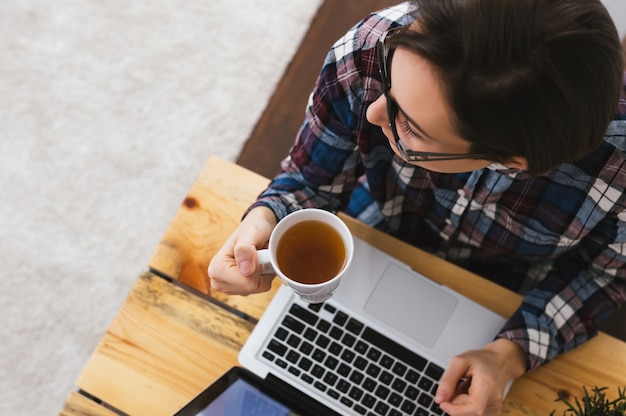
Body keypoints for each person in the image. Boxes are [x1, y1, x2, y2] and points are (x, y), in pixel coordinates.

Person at [209, 0, 626, 414]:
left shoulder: (618, 169)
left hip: (508, 293)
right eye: (390, 76)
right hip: (375, 230)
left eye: (409, 125)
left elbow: (603, 277)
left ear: (514, 163)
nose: (373, 113)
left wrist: (508, 356)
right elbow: (308, 182)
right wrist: (267, 218)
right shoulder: (371, 49)